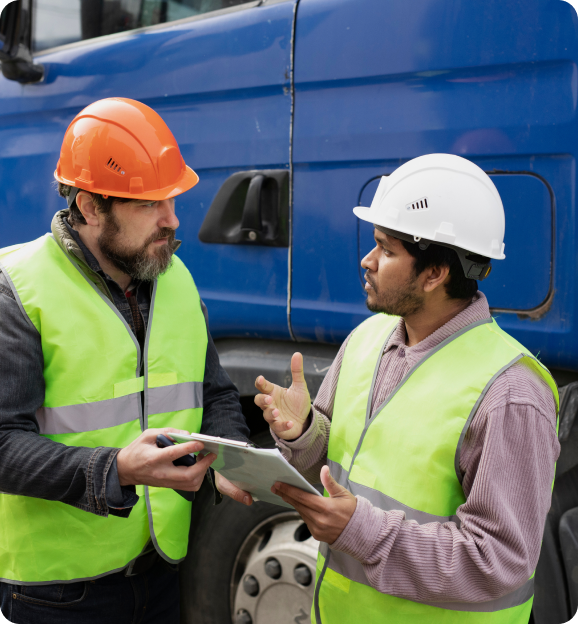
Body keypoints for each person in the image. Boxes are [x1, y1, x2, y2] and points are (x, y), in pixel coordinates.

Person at [254, 154, 560, 623]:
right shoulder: (367, 339)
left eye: (386, 249)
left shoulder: (510, 393)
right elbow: (337, 476)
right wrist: (303, 434)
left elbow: (498, 561)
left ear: (435, 273)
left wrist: (362, 530)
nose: (367, 260)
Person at [0, 97, 252, 624]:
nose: (172, 220)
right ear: (91, 207)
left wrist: (236, 458)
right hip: (55, 592)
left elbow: (214, 392)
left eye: (173, 200)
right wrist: (113, 470)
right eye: (149, 205)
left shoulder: (174, 276)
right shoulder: (18, 290)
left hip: (159, 570)